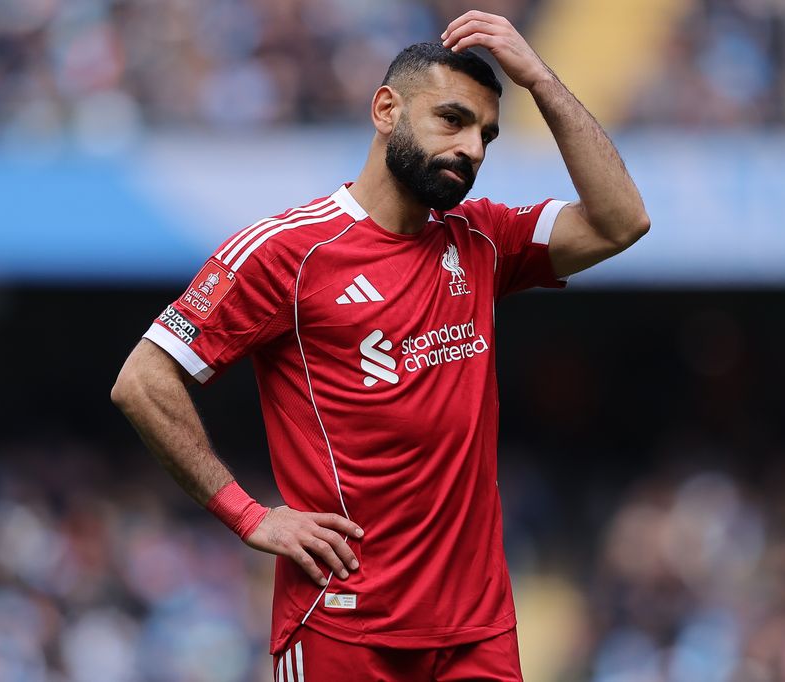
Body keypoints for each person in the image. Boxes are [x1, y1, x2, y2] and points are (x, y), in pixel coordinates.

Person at [112, 10, 649, 681]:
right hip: (344, 627)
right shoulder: (290, 253)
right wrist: (248, 515)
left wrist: (539, 79)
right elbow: (143, 379)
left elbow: (622, 220)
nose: (472, 150)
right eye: (451, 120)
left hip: (477, 633)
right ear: (386, 109)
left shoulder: (481, 239)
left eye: (486, 135)